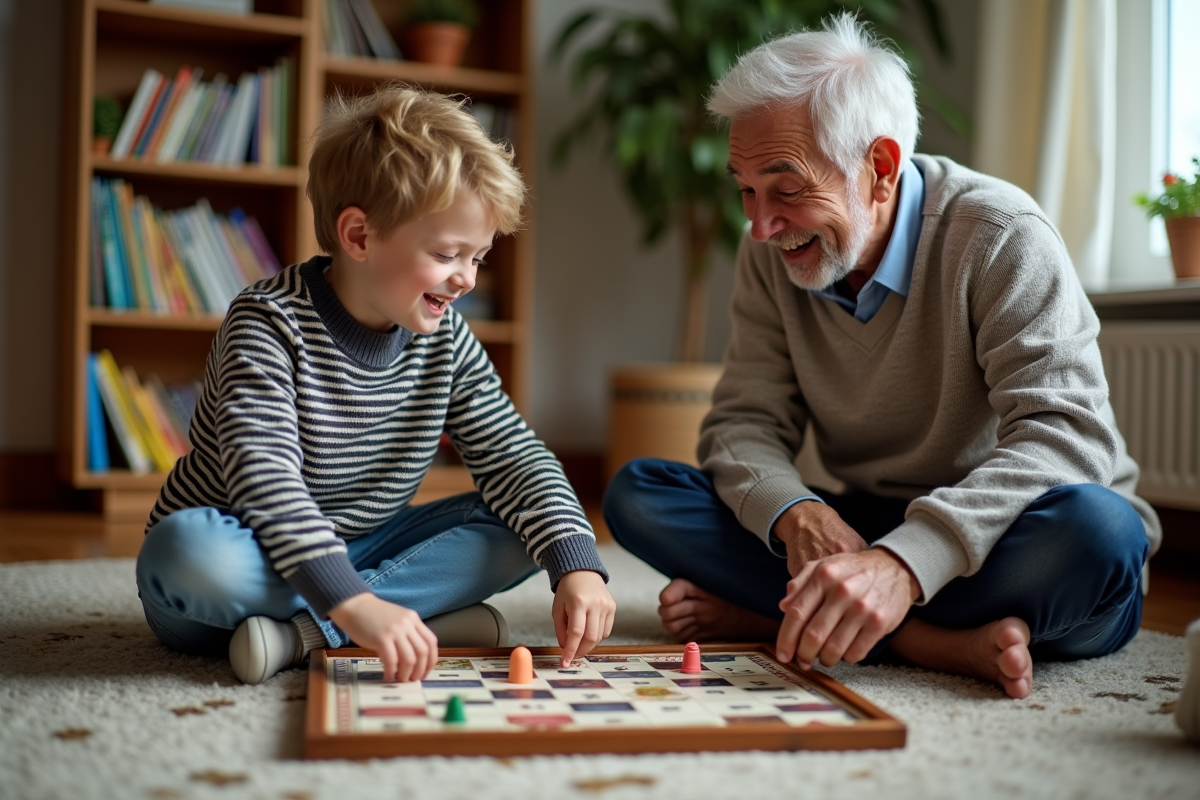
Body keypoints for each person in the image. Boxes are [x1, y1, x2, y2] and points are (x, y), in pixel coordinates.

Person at [603, 14, 1160, 699]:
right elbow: (742, 425)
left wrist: (904, 565)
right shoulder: (774, 256)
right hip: (864, 523)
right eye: (745, 187)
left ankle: (799, 614)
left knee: (1100, 533)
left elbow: (1069, 438)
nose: (759, 224)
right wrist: (796, 516)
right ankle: (935, 642)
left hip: (1002, 529)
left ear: (881, 169)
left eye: (786, 187)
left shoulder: (1000, 236)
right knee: (639, 494)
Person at [136, 86, 616, 685]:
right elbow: (264, 476)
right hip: (244, 558)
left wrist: (579, 568)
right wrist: (358, 604)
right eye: (447, 253)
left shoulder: (447, 338)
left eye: (479, 257)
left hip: (366, 550)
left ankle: (305, 638)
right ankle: (403, 613)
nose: (466, 278)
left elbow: (514, 455)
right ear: (359, 236)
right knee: (184, 556)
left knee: (525, 527)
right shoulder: (267, 322)